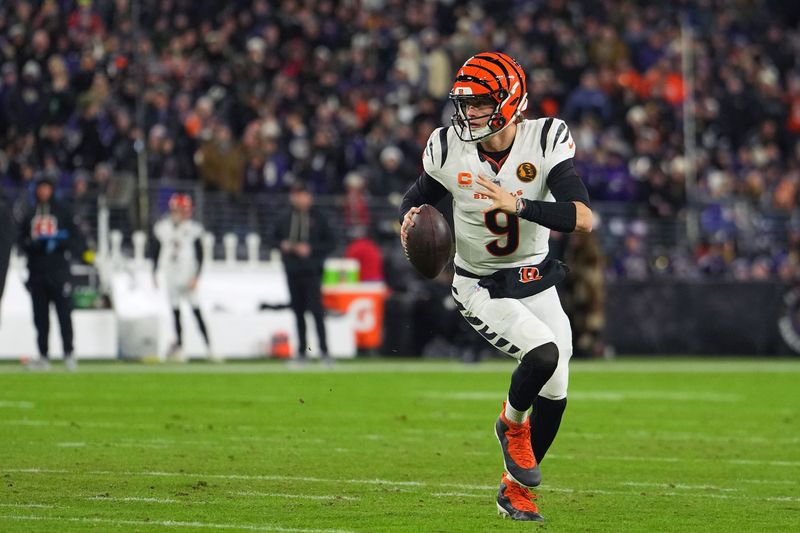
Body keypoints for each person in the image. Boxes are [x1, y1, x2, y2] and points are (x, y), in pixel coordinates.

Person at [400, 52, 593, 522]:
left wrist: (519, 204)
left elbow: (582, 218)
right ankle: (510, 424)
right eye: (465, 104)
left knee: (558, 384)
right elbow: (414, 201)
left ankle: (515, 491)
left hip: (534, 280)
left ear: (510, 102)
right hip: (480, 284)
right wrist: (409, 228)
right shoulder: (447, 149)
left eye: (481, 104)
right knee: (543, 353)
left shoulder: (545, 140)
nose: (469, 114)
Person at [17, 177, 91, 371]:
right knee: (40, 317)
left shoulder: (63, 212)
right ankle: (43, 355)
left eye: (46, 188)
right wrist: (34, 245)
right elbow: (20, 240)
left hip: (58, 271)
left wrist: (59, 243)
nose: (43, 192)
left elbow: (77, 239)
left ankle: (68, 353)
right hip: (37, 271)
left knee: (64, 314)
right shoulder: (30, 213)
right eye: (40, 188)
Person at [274, 181, 334, 364]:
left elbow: (331, 242)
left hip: (312, 271)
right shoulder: (285, 217)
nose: (300, 199)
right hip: (292, 270)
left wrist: (311, 250)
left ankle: (324, 351)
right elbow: (272, 238)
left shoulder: (319, 217)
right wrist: (284, 245)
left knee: (317, 312)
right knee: (298, 312)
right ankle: (301, 352)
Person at [151, 193, 215, 362]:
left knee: (196, 312)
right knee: (175, 313)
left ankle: (210, 347)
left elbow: (201, 256)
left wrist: (196, 277)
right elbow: (155, 251)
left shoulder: (193, 229)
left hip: (187, 276)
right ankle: (180, 347)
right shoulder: (162, 228)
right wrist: (154, 273)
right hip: (171, 275)